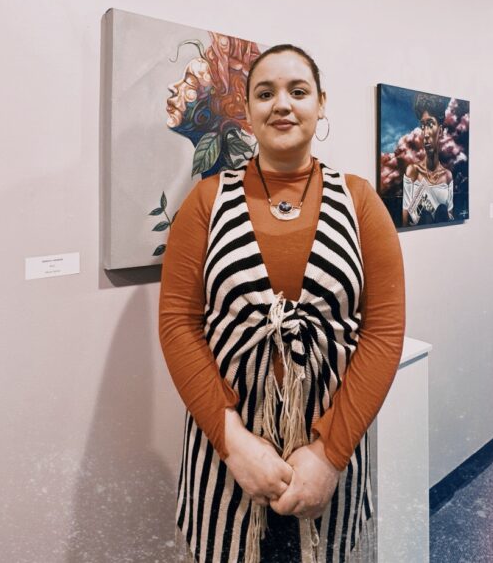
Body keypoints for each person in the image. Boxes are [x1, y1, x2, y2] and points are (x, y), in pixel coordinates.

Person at [159, 44, 406, 563]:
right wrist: (234, 444)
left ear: (321, 104)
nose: (282, 105)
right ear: (246, 113)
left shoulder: (361, 202)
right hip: (224, 461)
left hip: (329, 462)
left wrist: (330, 454)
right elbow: (178, 325)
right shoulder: (206, 202)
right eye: (265, 93)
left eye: (298, 91)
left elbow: (383, 333)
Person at [401, 93, 453, 227]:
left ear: (440, 131)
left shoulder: (447, 176)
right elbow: (405, 220)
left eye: (430, 124)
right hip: (418, 236)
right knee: (425, 216)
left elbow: (451, 220)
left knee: (442, 211)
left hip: (443, 237)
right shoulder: (412, 171)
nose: (425, 133)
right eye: (423, 126)